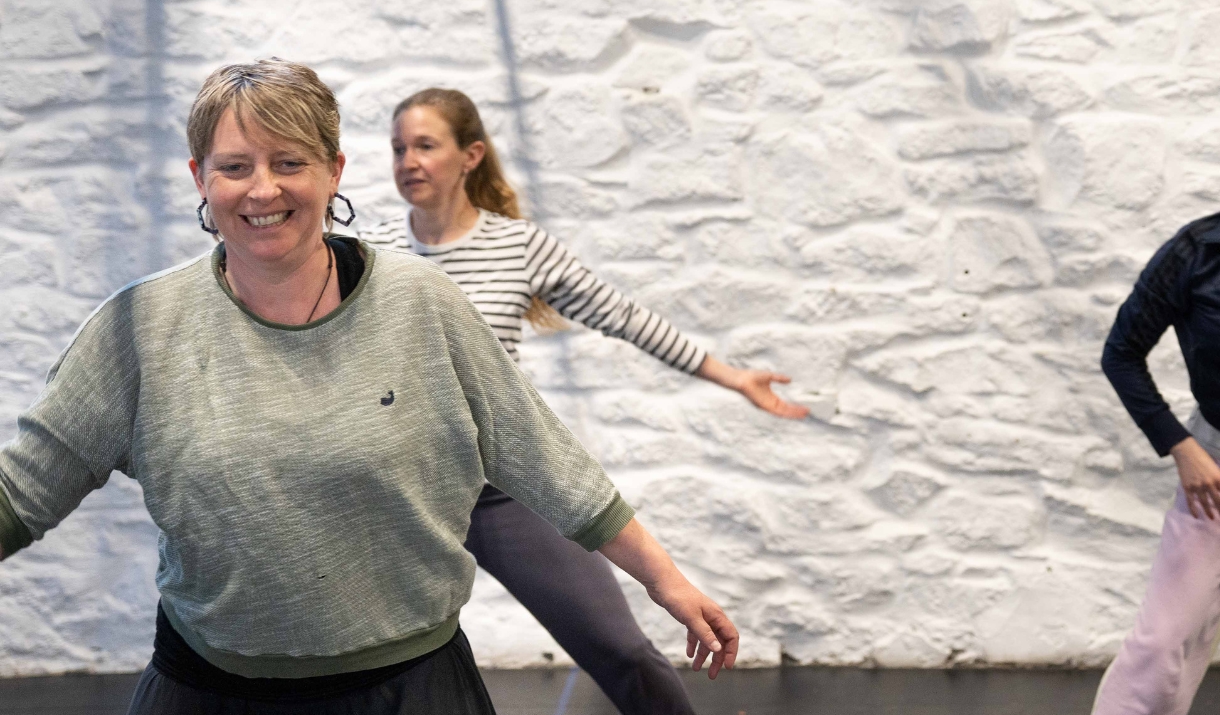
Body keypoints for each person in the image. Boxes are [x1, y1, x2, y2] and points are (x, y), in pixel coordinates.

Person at [0, 59, 737, 715]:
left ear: (333, 171)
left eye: (289, 161)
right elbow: (25, 488)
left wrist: (665, 579)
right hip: (207, 688)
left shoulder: (422, 303)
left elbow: (543, 454)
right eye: (234, 166)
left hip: (407, 689)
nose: (263, 189)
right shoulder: (137, 327)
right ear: (199, 178)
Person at [361, 88, 806, 715]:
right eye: (399, 148)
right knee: (357, 667)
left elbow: (622, 315)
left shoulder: (518, 246)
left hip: (501, 494)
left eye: (426, 146)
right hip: (403, 495)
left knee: (622, 652)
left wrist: (731, 377)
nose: (408, 160)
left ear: (470, 156)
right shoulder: (368, 252)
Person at [1094, 212, 1220, 714]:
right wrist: (1181, 446)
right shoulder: (1196, 253)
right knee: (1164, 638)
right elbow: (1120, 352)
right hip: (1213, 465)